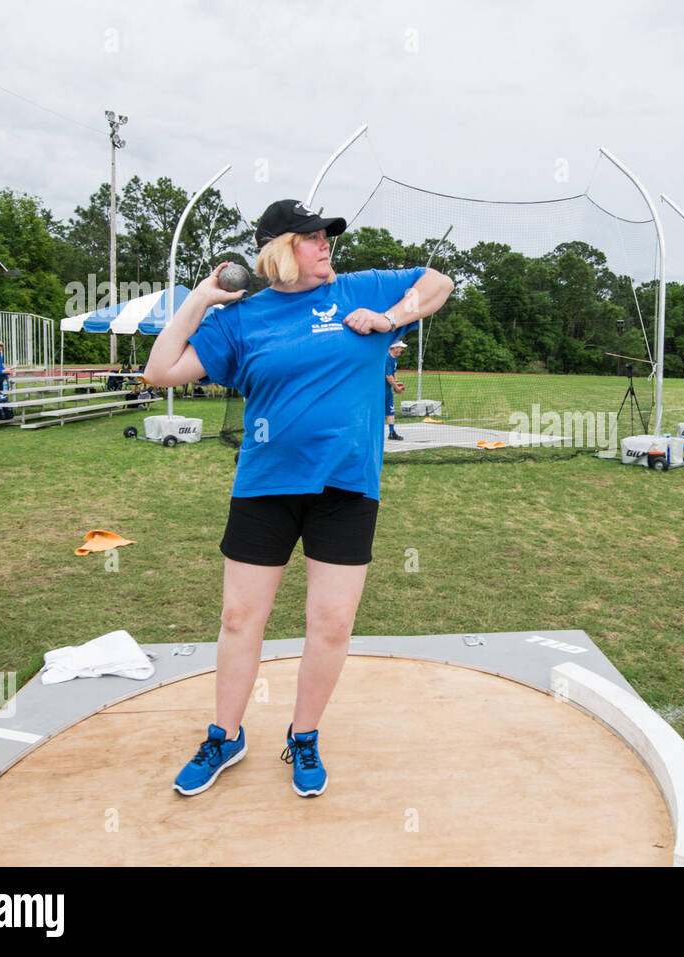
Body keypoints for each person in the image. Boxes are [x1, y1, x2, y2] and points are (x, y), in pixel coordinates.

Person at [144, 198, 454, 798]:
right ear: (281, 250)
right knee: (240, 618)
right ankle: (225, 735)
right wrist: (201, 298)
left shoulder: (359, 288)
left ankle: (304, 735)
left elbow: (438, 282)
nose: (325, 246)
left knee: (332, 624)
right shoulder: (244, 319)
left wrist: (390, 320)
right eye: (313, 238)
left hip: (346, 486)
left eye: (327, 237)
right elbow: (162, 371)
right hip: (265, 486)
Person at [384, 340, 407, 440]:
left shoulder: (395, 358)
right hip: (380, 390)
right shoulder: (387, 357)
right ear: (394, 348)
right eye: (400, 347)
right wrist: (396, 387)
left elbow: (394, 372)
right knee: (378, 412)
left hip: (388, 389)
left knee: (391, 410)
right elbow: (388, 376)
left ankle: (392, 432)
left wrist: (396, 384)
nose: (402, 349)